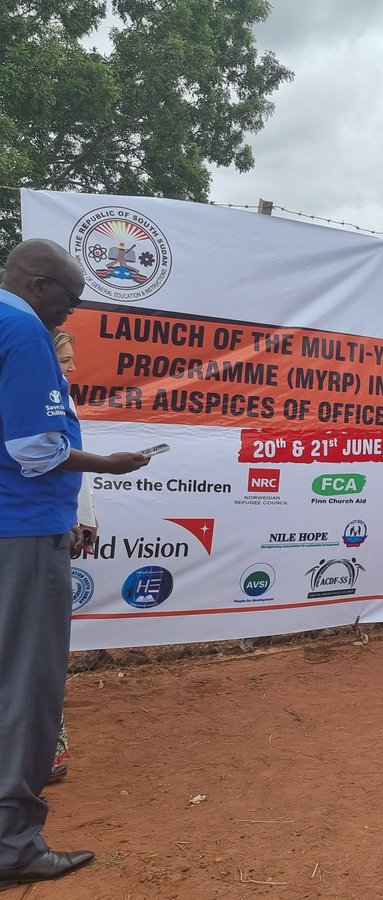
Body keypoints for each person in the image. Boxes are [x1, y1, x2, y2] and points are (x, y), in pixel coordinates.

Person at [0, 238, 150, 888]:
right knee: (28, 684)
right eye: (68, 298)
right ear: (36, 283)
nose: (71, 313)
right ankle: (12, 842)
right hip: (24, 529)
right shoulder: (22, 328)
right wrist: (108, 465)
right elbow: (34, 448)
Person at [46, 328, 100, 785]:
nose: (72, 369)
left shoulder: (64, 397)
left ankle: (48, 750)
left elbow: (72, 465)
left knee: (41, 646)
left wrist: (83, 519)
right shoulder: (25, 393)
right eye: (64, 361)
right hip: (27, 532)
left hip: (55, 528)